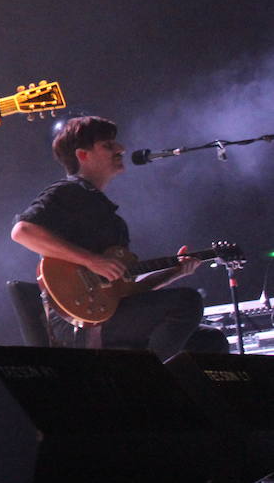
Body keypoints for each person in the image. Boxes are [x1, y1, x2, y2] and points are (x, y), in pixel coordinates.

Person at [11, 115, 213, 356]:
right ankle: (148, 384)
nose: (121, 149)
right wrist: (91, 261)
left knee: (210, 340)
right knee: (187, 302)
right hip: (77, 323)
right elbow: (22, 231)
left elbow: (125, 291)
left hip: (109, 314)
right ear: (82, 155)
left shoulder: (113, 220)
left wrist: (175, 272)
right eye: (108, 145)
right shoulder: (69, 191)